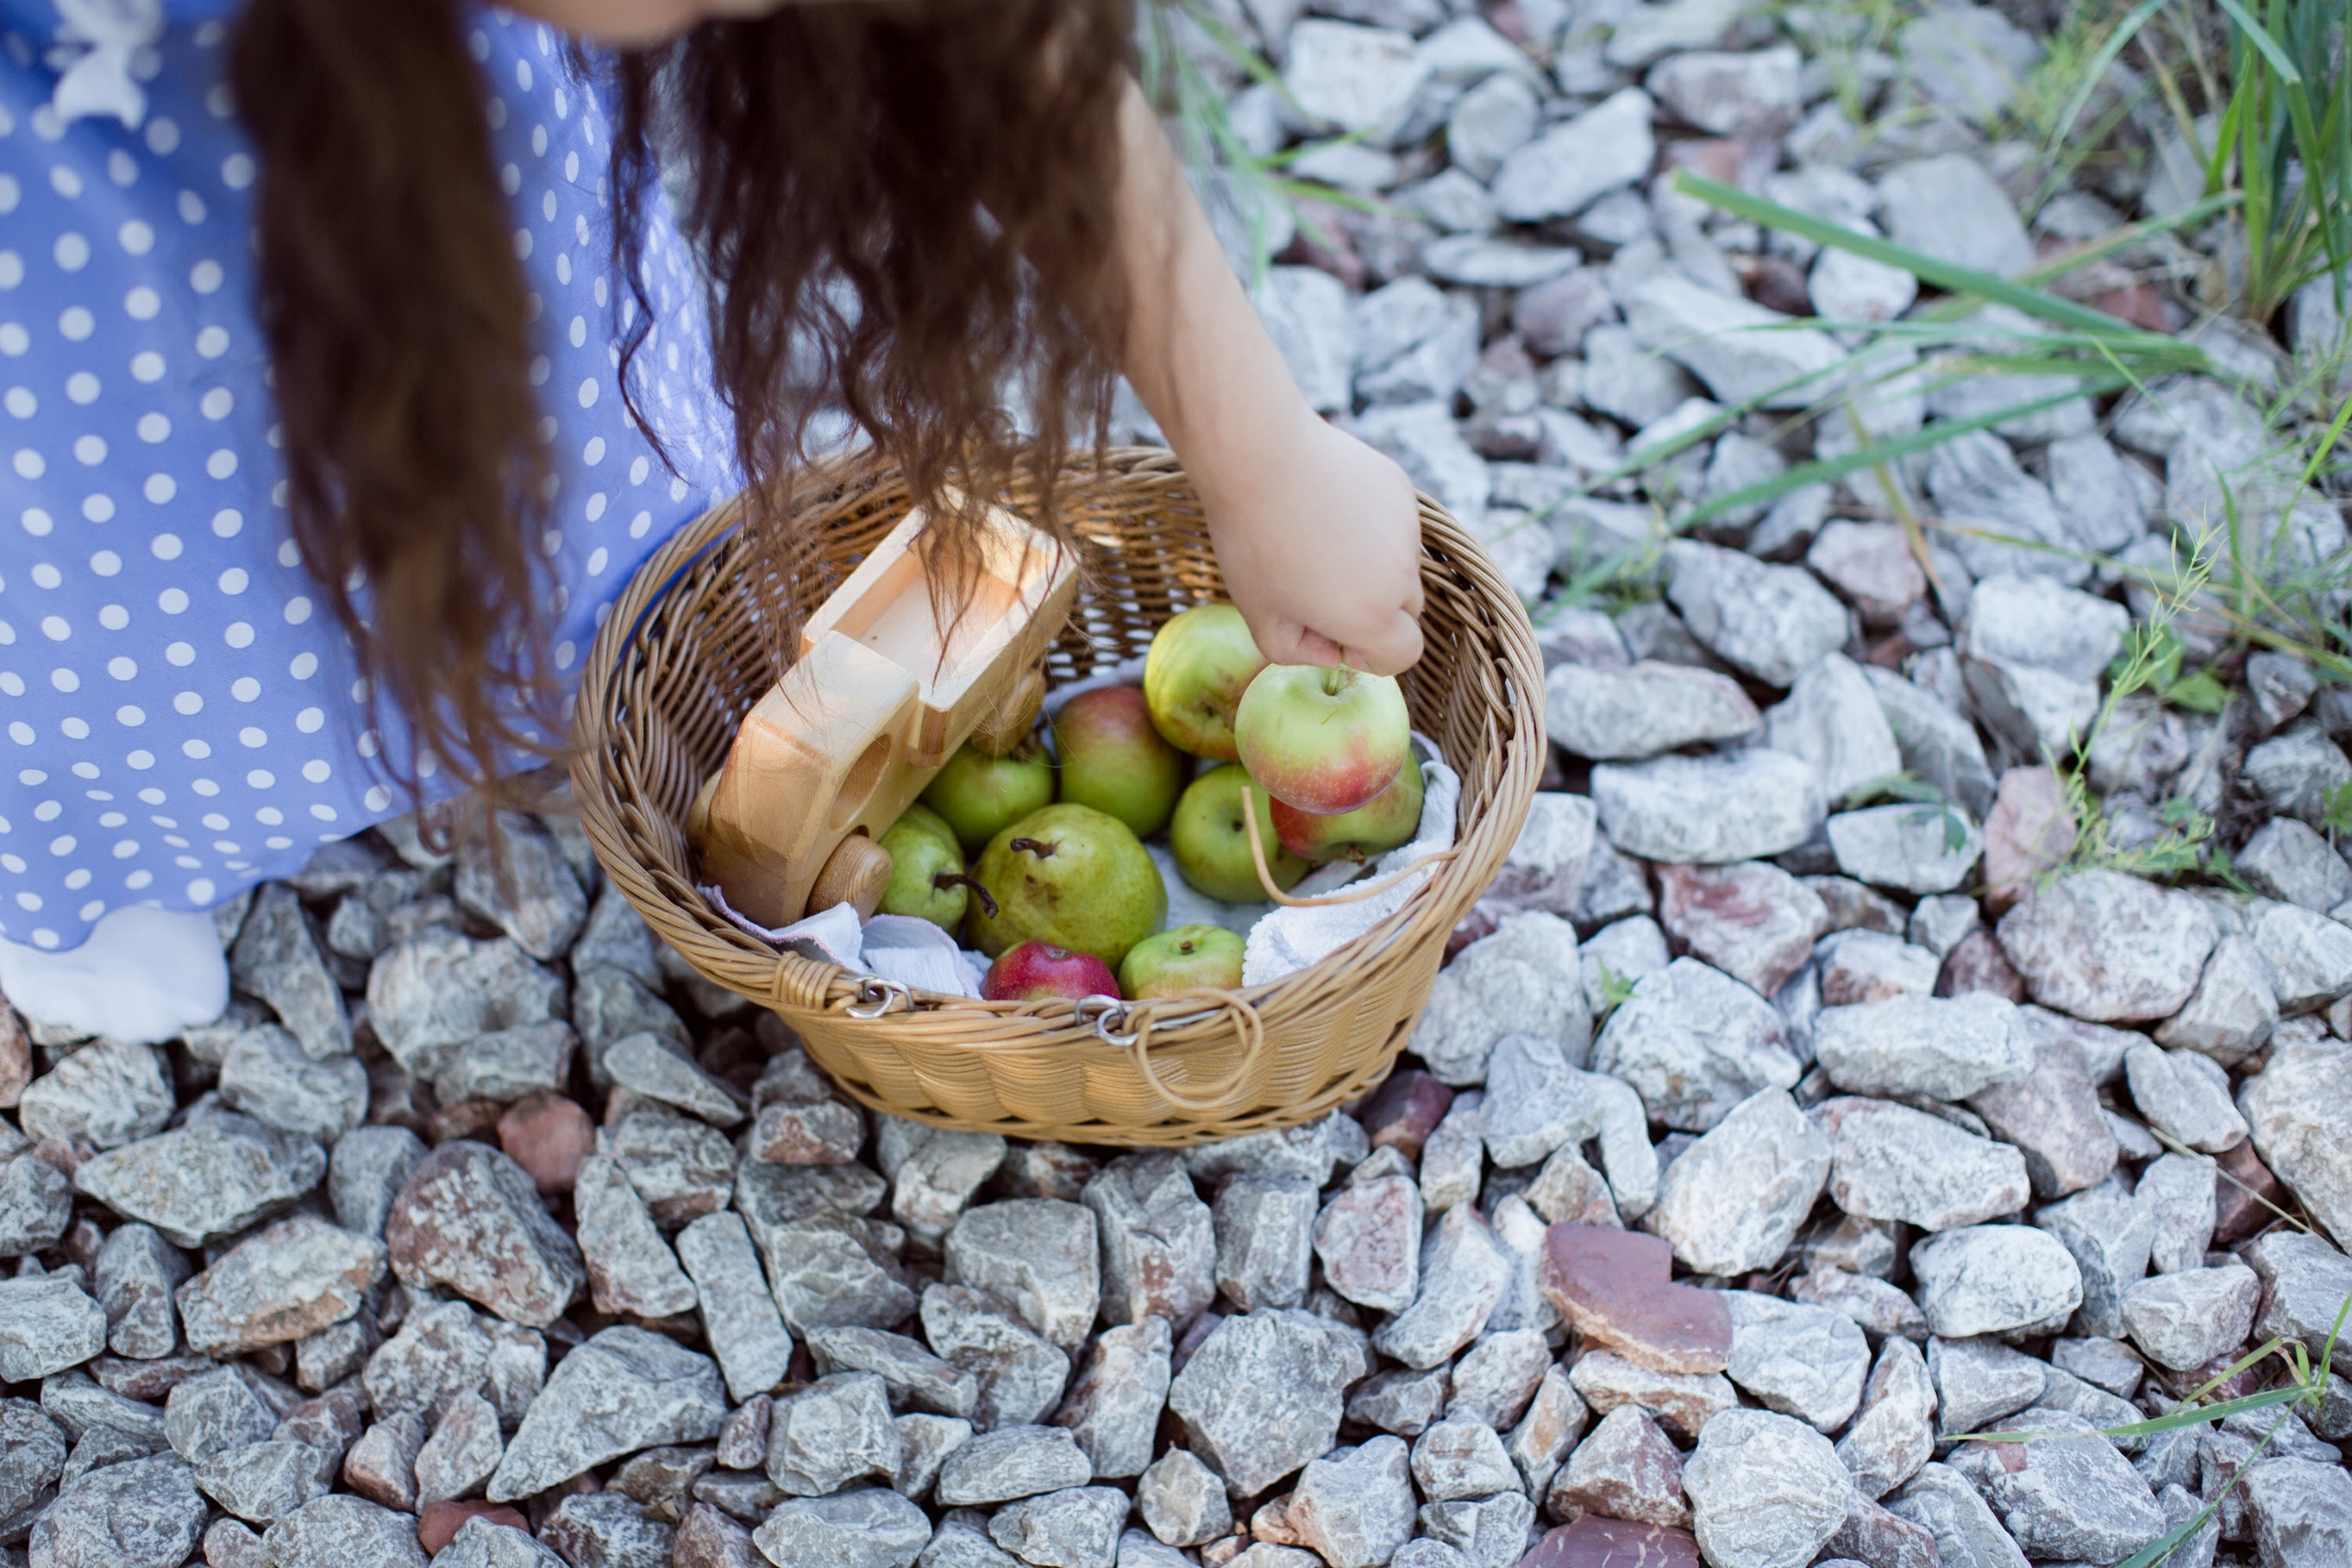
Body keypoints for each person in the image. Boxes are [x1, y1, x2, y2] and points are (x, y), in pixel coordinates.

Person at [0, 0, 1426, 1035]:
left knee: (561, 481)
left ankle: (510, 667)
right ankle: (84, 871)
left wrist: (1263, 460)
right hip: (74, 312)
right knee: (130, 649)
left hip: (442, 143)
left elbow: (997, 43)